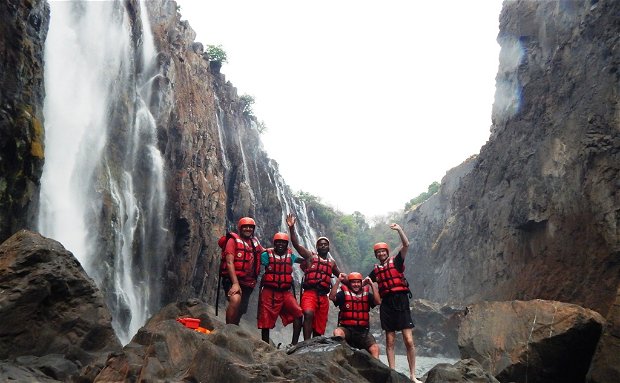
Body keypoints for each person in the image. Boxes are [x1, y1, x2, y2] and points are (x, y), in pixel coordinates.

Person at [368, 223, 422, 383]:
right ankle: (393, 374)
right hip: (387, 305)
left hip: (401, 301)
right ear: (376, 255)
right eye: (378, 252)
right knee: (390, 341)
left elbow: (406, 245)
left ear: (387, 252)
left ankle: (412, 375)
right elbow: (361, 282)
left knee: (408, 340)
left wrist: (399, 229)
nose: (381, 253)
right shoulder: (376, 271)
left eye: (383, 251)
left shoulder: (397, 261)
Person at [286, 213, 344, 340]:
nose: (323, 246)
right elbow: (296, 245)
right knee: (307, 313)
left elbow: (341, 276)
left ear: (328, 247)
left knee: (319, 326)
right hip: (309, 293)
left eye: (325, 244)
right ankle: (307, 343)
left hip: (323, 296)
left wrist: (358, 283)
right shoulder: (310, 257)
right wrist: (291, 228)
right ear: (317, 247)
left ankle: (315, 344)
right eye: (320, 244)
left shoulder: (332, 263)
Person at [257, 232, 305, 345]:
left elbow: (301, 260)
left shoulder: (290, 256)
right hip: (269, 291)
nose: (280, 244)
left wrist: (311, 259)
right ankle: (266, 345)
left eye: (283, 242)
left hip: (285, 292)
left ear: (287, 244)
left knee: (298, 313)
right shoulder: (266, 255)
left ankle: (294, 344)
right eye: (278, 242)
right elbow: (255, 258)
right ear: (274, 243)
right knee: (265, 319)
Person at [219, 217, 265, 325]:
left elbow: (264, 252)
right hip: (232, 280)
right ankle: (228, 331)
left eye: (250, 227)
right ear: (240, 228)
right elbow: (229, 262)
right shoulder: (232, 240)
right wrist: (235, 283)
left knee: (241, 309)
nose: (248, 229)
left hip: (248, 282)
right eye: (245, 227)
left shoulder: (255, 242)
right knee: (235, 300)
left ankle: (235, 328)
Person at [329, 272, 381, 358]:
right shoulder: (343, 294)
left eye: (358, 282)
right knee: (337, 332)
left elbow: (378, 301)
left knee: (375, 348)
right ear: (349, 283)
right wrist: (338, 281)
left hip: (363, 332)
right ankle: (341, 358)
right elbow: (331, 297)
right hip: (347, 330)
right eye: (353, 282)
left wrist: (372, 284)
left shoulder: (367, 295)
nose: (356, 284)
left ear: (361, 283)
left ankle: (377, 368)